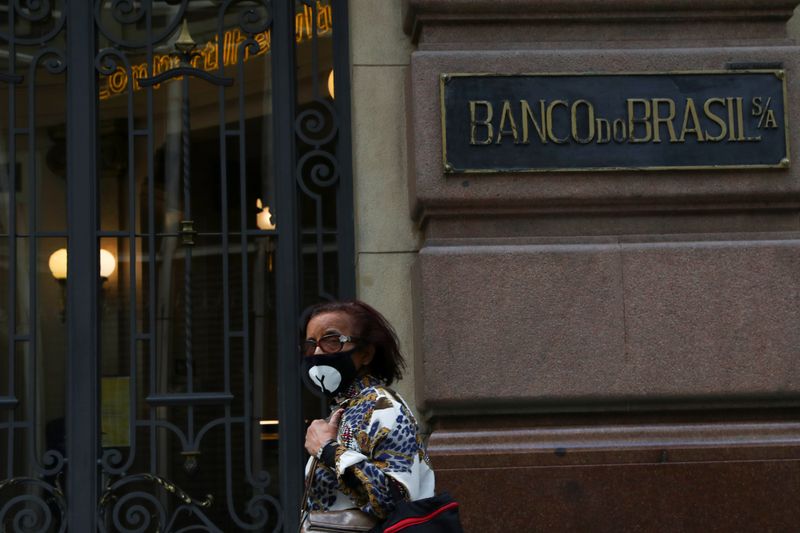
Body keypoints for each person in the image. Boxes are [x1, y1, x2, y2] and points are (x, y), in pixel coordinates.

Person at [301, 300, 435, 520]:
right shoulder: (348, 408)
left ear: (365, 354)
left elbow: (395, 501)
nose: (317, 353)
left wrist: (327, 450)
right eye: (310, 344)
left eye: (332, 341)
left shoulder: (383, 407)